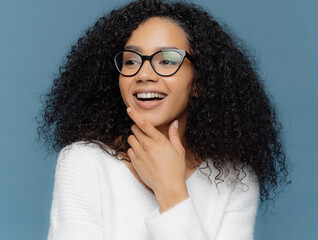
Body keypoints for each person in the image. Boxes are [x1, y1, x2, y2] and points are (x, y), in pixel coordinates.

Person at [38, 0, 289, 239]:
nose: (144, 74)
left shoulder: (236, 179)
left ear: (198, 83)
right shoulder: (84, 161)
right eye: (131, 61)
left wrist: (172, 191)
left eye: (167, 60)